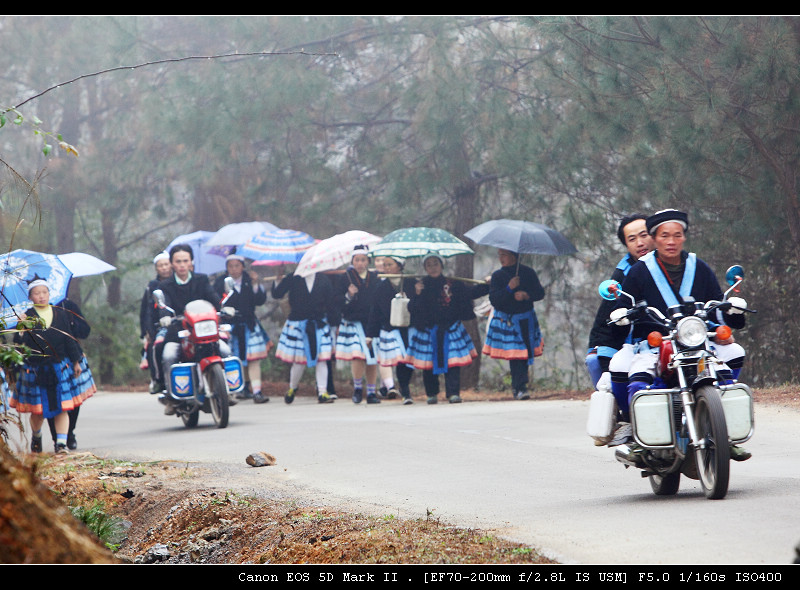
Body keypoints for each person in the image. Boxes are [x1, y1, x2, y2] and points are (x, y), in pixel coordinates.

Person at [611, 209, 750, 461]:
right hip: (655, 345)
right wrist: (625, 315)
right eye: (665, 236)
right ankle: (639, 436)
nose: (671, 241)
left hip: (697, 341)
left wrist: (732, 309)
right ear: (655, 238)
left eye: (677, 235)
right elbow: (625, 305)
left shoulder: (699, 267)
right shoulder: (640, 271)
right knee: (637, 378)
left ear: (684, 237)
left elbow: (717, 303)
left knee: (734, 355)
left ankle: (725, 433)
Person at [10, 279, 97, 453]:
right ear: (30, 297)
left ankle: (61, 444)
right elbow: (20, 345)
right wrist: (20, 329)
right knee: (38, 411)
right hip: (36, 369)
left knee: (61, 406)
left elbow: (68, 339)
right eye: (37, 293)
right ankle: (37, 436)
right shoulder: (27, 316)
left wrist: (75, 361)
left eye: (44, 292)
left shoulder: (60, 314)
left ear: (49, 294)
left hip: (59, 367)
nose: (41, 296)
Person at [586, 214, 655, 429]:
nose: (640, 243)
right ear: (626, 244)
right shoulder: (622, 278)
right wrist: (600, 351)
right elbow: (608, 319)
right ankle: (629, 422)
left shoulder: (687, 264)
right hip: (640, 344)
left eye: (644, 235)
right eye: (632, 239)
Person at [156, 244, 233, 414]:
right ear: (172, 264)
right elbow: (164, 305)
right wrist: (165, 316)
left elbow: (212, 297)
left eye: (185, 260)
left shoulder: (201, 279)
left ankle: (227, 390)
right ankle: (171, 396)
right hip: (179, 332)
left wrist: (224, 308)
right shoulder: (165, 286)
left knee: (226, 351)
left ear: (191, 262)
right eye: (178, 261)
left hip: (204, 331)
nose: (182, 265)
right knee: (168, 355)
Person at [406, 252, 477, 404]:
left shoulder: (452, 284)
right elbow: (412, 308)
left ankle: (453, 393)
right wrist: (417, 294)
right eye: (429, 265)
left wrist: (488, 284)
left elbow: (469, 294)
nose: (433, 268)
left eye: (435, 264)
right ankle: (432, 393)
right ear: (425, 268)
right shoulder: (420, 285)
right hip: (428, 330)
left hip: (450, 329)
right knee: (428, 364)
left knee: (452, 363)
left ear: (442, 265)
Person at [482, 249, 545, 400]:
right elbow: (495, 300)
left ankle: (521, 387)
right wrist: (509, 288)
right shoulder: (498, 276)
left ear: (514, 256)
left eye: (504, 255)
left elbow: (540, 293)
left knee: (524, 354)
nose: (501, 258)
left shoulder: (528, 273)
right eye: (499, 255)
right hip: (509, 322)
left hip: (526, 319)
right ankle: (519, 388)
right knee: (516, 355)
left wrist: (525, 295)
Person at [271, 267, 340, 404]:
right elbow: (277, 294)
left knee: (322, 359)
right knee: (299, 362)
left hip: (319, 324)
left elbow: (331, 303)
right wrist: (278, 281)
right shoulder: (293, 277)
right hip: (299, 325)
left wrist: (335, 323)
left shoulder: (323, 279)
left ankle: (322, 392)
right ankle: (292, 388)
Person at [214, 254, 272, 403]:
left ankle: (257, 391)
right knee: (234, 358)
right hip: (229, 326)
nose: (234, 269)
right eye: (230, 266)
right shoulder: (220, 283)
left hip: (249, 324)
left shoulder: (249, 279)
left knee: (253, 359)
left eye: (237, 266)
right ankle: (237, 389)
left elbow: (259, 300)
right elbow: (215, 302)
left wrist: (255, 284)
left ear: (242, 266)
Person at [334, 245, 382, 404]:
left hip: (371, 323)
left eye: (363, 260)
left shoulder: (375, 277)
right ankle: (357, 389)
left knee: (372, 358)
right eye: (357, 260)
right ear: (352, 261)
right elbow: (338, 302)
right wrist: (349, 294)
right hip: (353, 322)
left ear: (368, 261)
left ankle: (371, 392)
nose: (360, 263)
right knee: (358, 356)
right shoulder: (344, 278)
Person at [367, 255, 415, 404]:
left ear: (399, 266)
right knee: (400, 360)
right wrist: (370, 334)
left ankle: (405, 385)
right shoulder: (381, 287)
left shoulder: (411, 283)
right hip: (391, 328)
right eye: (385, 265)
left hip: (410, 327)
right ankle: (406, 391)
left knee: (409, 361)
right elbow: (375, 311)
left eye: (390, 264)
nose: (386, 268)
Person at [46, 295, 92, 450]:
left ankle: (69, 432)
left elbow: (85, 331)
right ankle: (57, 438)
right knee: (52, 400)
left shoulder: (68, 305)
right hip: (49, 362)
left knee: (74, 399)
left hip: (72, 358)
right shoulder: (32, 313)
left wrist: (71, 323)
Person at [140, 252, 173, 393]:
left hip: (181, 323)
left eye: (166, 264)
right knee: (156, 347)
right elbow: (146, 311)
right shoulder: (152, 286)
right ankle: (158, 379)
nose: (164, 268)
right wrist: (147, 331)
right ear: (156, 268)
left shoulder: (177, 281)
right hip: (160, 326)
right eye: (161, 265)